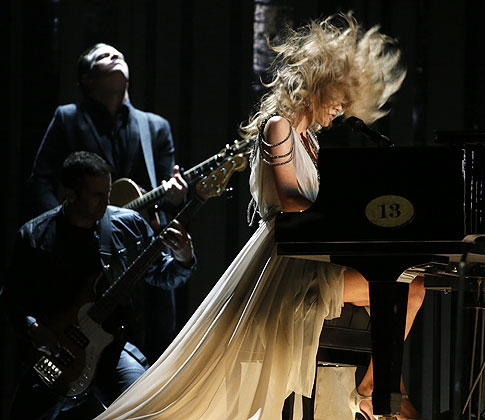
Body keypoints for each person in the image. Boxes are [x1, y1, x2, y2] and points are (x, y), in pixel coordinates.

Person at [92, 13, 424, 420]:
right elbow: (292, 202)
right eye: (338, 97)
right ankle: (377, 386)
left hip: (312, 261)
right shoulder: (278, 128)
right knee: (408, 289)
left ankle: (378, 382)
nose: (341, 110)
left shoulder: (311, 142)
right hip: (290, 268)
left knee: (410, 287)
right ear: (318, 86)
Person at [1, 151, 196, 420]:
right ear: (71, 194)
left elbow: (163, 276)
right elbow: (13, 297)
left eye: (108, 193)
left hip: (113, 349)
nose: (106, 202)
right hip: (58, 352)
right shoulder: (35, 235)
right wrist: (34, 328)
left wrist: (184, 258)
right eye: (97, 195)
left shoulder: (127, 226)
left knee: (145, 408)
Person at [27, 42, 189, 363]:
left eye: (120, 55)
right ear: (87, 78)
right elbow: (40, 181)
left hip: (140, 255)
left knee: (154, 348)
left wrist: (177, 197)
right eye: (104, 55)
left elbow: (166, 203)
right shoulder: (68, 118)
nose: (116, 56)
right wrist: (62, 229)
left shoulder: (154, 127)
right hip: (83, 256)